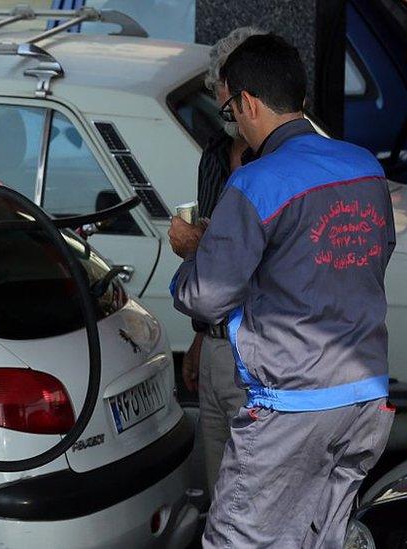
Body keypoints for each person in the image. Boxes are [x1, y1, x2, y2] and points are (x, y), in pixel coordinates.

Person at [169, 34, 396, 548]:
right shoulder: (366, 167)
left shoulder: (256, 181)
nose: (233, 122)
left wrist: (192, 254)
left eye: (228, 109)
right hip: (364, 401)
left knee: (237, 538)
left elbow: (205, 296)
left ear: (246, 102)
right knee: (322, 538)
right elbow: (368, 255)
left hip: (292, 403)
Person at [181, 26, 264, 497]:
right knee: (219, 491)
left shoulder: (278, 162)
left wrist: (197, 243)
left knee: (253, 495)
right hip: (214, 343)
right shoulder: (214, 154)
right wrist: (197, 339)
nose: (220, 103)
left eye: (225, 94)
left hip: (257, 349)